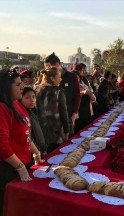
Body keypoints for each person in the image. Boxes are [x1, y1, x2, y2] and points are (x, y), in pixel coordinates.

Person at [0, 70, 43, 215]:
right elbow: (2, 145)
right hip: (8, 169)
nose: (22, 87)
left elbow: (26, 133)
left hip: (24, 163)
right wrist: (19, 167)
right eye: (18, 84)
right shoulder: (2, 108)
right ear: (6, 87)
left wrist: (35, 151)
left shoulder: (16, 104)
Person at [44, 52, 81, 137]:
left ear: (57, 65)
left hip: (68, 115)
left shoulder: (71, 76)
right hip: (53, 119)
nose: (47, 70)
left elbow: (77, 95)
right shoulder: (47, 80)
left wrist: (74, 114)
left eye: (48, 67)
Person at [36, 67, 70, 154]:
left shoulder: (37, 90)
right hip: (56, 133)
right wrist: (67, 130)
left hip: (41, 132)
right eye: (59, 77)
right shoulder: (58, 92)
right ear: (52, 78)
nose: (61, 79)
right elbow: (64, 113)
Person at [20, 87, 46, 155]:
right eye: (27, 98)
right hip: (33, 154)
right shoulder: (23, 115)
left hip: (41, 150)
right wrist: (36, 152)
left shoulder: (33, 112)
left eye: (34, 97)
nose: (32, 100)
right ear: (20, 99)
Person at [73, 63, 96, 134]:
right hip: (80, 112)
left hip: (87, 110)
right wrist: (84, 92)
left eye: (78, 77)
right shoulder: (73, 84)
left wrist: (91, 96)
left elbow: (90, 91)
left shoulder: (83, 81)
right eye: (84, 70)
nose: (85, 71)